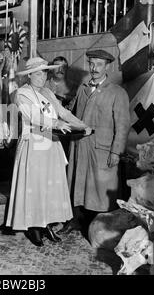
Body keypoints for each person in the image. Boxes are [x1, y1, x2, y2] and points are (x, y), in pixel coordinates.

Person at [5, 57, 91, 247]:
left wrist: (83, 126)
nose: (42, 76)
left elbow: (64, 113)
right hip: (33, 145)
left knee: (49, 187)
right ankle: (34, 227)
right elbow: (33, 116)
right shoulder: (21, 93)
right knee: (35, 186)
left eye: (44, 72)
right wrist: (55, 123)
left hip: (51, 144)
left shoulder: (47, 92)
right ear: (29, 76)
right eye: (38, 73)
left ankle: (47, 224)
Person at [65, 49, 130, 235]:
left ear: (107, 66)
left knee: (101, 189)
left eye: (99, 64)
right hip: (79, 145)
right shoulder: (82, 88)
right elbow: (72, 112)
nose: (94, 68)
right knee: (78, 184)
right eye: (91, 64)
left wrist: (116, 152)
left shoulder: (117, 92)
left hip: (102, 148)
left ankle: (100, 228)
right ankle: (76, 220)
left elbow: (123, 125)